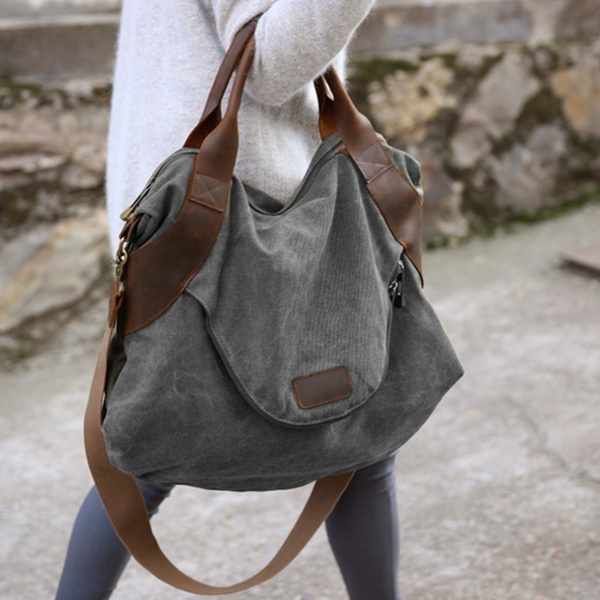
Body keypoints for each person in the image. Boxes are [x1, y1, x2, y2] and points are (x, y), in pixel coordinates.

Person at [55, 1, 401, 599]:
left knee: (144, 458)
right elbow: (265, 62)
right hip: (230, 225)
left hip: (186, 215)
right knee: (353, 447)